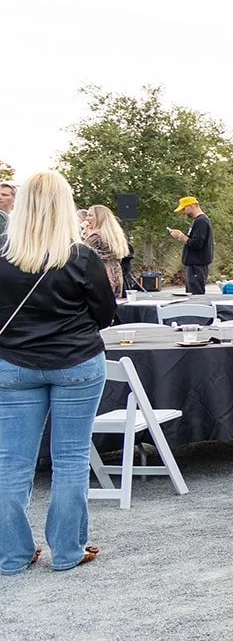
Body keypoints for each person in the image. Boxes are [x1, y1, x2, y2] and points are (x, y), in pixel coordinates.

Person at [0, 170, 117, 572]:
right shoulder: (81, 255)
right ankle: (67, 551)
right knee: (70, 457)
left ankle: (12, 554)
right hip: (77, 362)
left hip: (13, 365)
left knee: (10, 463)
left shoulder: (2, 252)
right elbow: (105, 315)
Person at [82, 205, 131, 299]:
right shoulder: (113, 235)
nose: (87, 218)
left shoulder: (95, 237)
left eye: (90, 215)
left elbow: (80, 253)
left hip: (101, 276)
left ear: (99, 218)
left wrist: (82, 232)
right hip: (116, 273)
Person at [167, 196, 212, 295]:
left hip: (197, 265)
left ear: (191, 206)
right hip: (194, 266)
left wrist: (180, 236)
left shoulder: (201, 221)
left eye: (184, 209)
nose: (183, 212)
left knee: (195, 295)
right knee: (191, 293)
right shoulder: (198, 221)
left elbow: (197, 244)